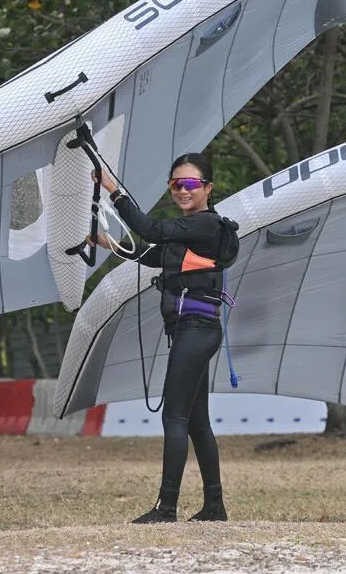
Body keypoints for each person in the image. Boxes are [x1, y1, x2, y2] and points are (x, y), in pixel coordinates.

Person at [90, 153, 239, 524]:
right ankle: (214, 507)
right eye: (175, 184)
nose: (182, 191)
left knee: (174, 418)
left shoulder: (205, 225)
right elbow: (153, 253)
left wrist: (112, 188)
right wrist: (107, 242)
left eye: (190, 184)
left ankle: (166, 508)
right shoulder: (189, 232)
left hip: (196, 331)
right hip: (193, 332)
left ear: (207, 187)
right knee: (197, 422)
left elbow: (153, 230)